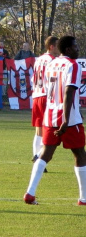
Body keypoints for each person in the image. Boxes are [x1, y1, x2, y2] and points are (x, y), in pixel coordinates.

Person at [24, 35, 86, 205]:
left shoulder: (51, 64)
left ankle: (30, 193)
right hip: (69, 118)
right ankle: (84, 198)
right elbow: (68, 92)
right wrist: (66, 120)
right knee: (80, 154)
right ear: (67, 49)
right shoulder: (73, 65)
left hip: (49, 116)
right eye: (75, 47)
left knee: (45, 154)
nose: (78, 49)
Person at [29, 36, 59, 165]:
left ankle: (36, 155)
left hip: (36, 95)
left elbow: (33, 78)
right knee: (47, 128)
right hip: (46, 96)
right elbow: (53, 80)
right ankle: (41, 157)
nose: (59, 48)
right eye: (57, 45)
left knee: (39, 128)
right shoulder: (53, 60)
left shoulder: (39, 59)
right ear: (52, 46)